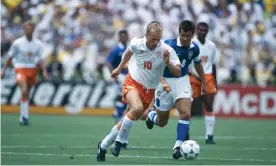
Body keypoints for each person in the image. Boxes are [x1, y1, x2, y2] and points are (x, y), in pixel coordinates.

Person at [97, 21, 181, 162]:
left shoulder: (166, 50)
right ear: (146, 35)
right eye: (152, 38)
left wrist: (168, 63)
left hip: (149, 91)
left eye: (158, 39)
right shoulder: (137, 43)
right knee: (137, 108)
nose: (155, 42)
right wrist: (119, 68)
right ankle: (119, 142)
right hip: (132, 83)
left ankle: (103, 145)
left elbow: (178, 72)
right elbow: (128, 53)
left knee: (126, 120)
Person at [145, 20, 207, 159]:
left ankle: (178, 147)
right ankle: (151, 116)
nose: (185, 39)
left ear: (193, 35)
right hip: (164, 83)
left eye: (188, 36)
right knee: (162, 122)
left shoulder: (195, 48)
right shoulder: (167, 46)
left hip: (182, 81)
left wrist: (204, 80)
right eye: (183, 35)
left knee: (185, 113)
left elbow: (197, 64)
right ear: (179, 33)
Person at [1, 20, 47, 125]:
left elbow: (41, 59)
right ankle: (23, 117)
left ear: (33, 30)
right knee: (24, 90)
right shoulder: (17, 43)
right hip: (20, 67)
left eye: (29, 29)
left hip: (32, 69)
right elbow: (10, 57)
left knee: (26, 93)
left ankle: (24, 115)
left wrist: (43, 71)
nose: (27, 31)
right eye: (25, 29)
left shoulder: (38, 44)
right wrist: (4, 71)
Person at [189, 22, 217, 144]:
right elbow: (188, 64)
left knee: (209, 105)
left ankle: (209, 135)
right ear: (197, 31)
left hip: (208, 76)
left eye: (205, 30)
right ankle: (186, 131)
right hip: (194, 77)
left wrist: (215, 81)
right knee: (192, 108)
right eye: (201, 30)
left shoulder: (211, 46)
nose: (203, 32)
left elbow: (213, 63)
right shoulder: (191, 44)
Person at [106, 29, 129, 124]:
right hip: (120, 75)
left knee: (126, 96)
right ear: (119, 37)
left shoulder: (129, 48)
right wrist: (114, 74)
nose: (123, 38)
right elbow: (108, 63)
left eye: (125, 36)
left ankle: (117, 112)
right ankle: (118, 115)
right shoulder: (116, 49)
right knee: (122, 95)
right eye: (122, 36)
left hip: (128, 75)